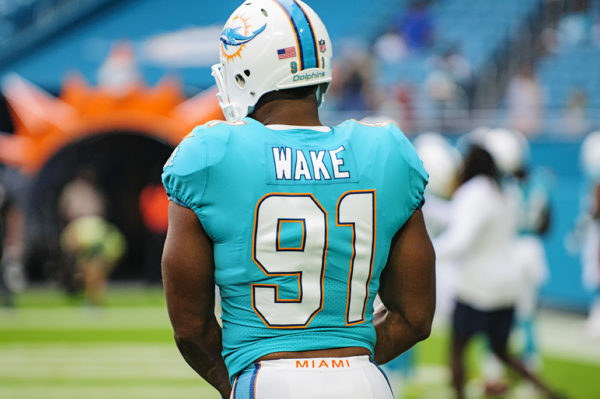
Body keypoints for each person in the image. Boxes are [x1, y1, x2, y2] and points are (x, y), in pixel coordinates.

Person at [161, 1, 436, 398]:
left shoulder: (210, 154)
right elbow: (415, 316)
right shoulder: (385, 151)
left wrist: (234, 383)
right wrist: (341, 361)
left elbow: (191, 327)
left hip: (268, 378)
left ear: (246, 69)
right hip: (363, 381)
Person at [433, 145, 562, 399]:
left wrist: (426, 253)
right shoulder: (504, 191)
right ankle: (549, 392)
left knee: (456, 352)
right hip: (507, 285)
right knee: (503, 352)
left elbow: (460, 240)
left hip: (477, 286)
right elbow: (459, 218)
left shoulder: (474, 192)